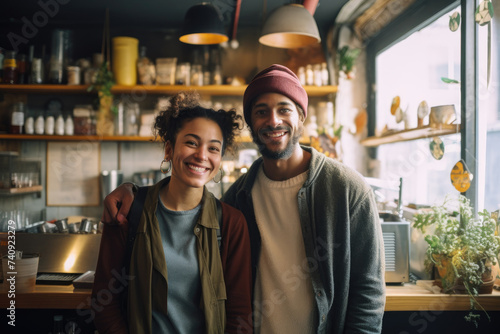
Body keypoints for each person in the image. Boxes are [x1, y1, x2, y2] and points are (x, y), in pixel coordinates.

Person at [102, 65, 386, 333]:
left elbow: (369, 291)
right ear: (251, 123)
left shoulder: (347, 189)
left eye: (284, 109)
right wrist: (132, 190)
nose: (273, 120)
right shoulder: (239, 197)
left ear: (301, 116)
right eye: (261, 112)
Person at [92, 91, 253, 334]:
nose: (201, 155)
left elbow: (240, 315)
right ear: (169, 149)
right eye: (191, 142)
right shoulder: (128, 210)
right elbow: (104, 303)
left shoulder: (231, 223)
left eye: (213, 148)